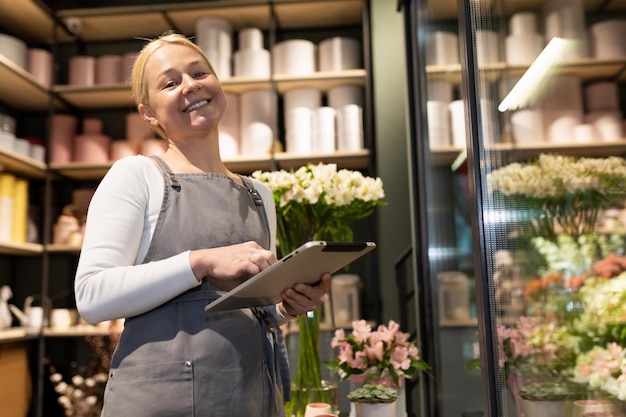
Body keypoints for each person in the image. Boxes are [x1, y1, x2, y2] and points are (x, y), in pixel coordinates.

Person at [74, 31, 332, 417]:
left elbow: (246, 309)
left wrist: (290, 307)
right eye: (170, 82)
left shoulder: (258, 194)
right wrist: (201, 261)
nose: (191, 86)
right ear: (148, 112)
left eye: (198, 73)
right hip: (161, 403)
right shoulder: (137, 175)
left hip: (251, 397)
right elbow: (92, 297)